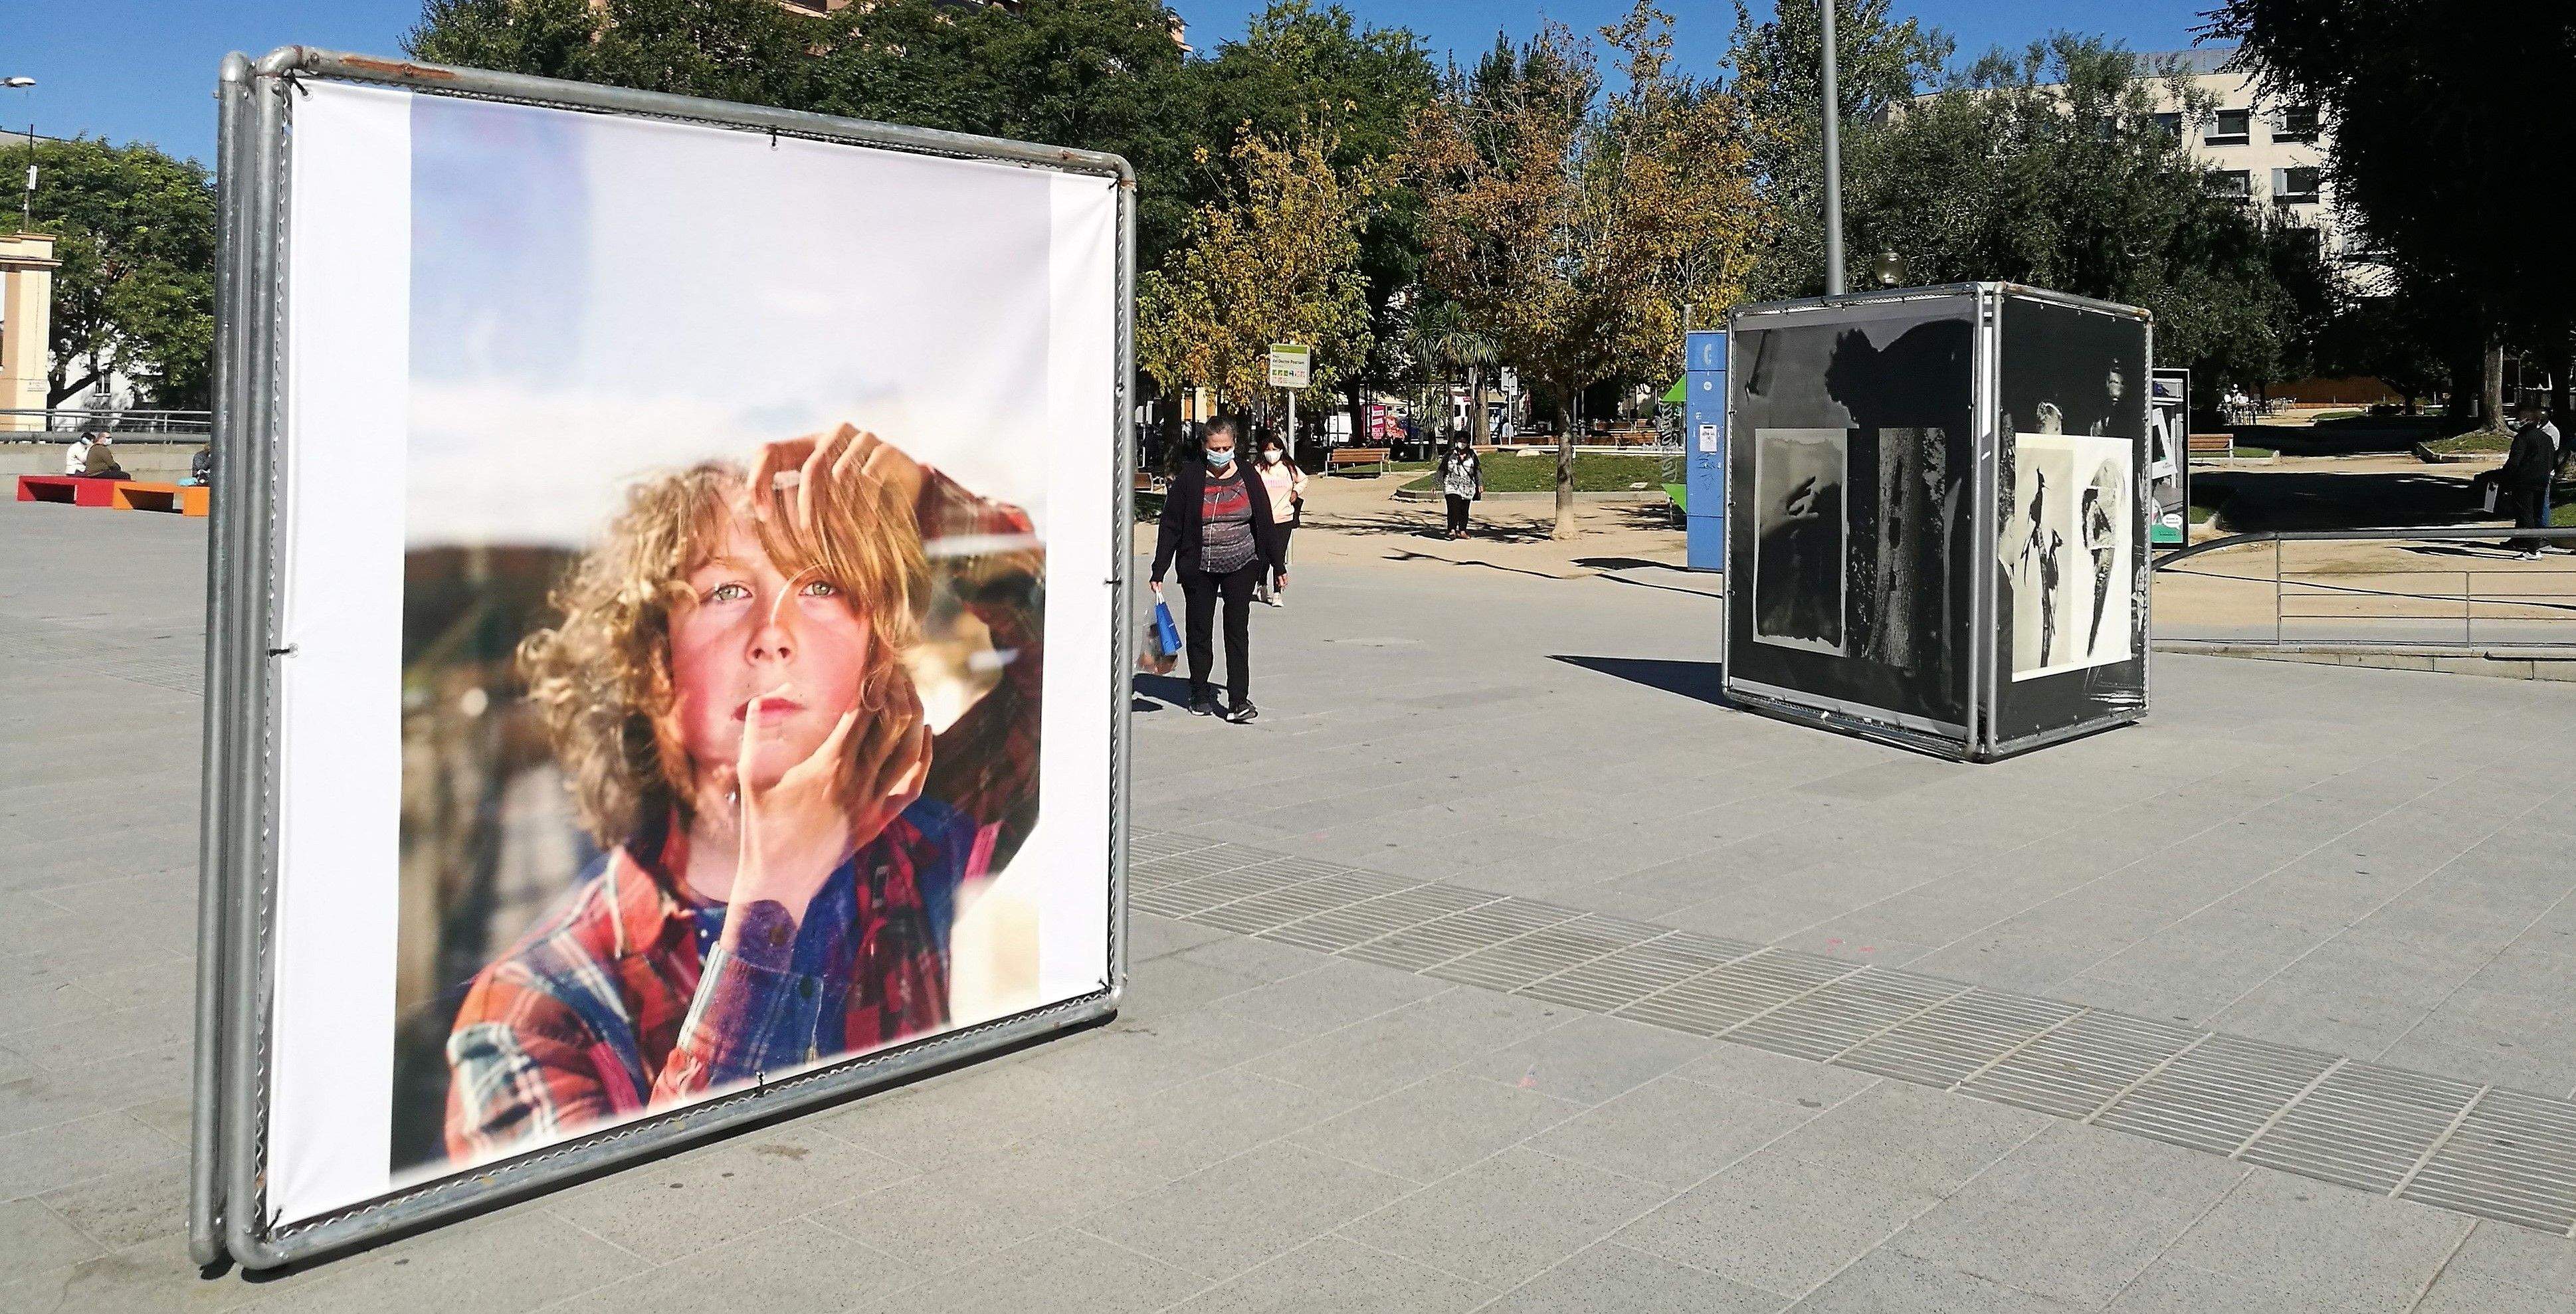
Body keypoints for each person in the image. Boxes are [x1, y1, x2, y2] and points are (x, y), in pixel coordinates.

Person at [441, 424, 1043, 1165]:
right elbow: (657, 1216)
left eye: (821, 585)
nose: (774, 633)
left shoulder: (911, 852)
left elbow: (1078, 665)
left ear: (873, 655)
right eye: (726, 591)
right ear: (650, 665)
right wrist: (774, 899)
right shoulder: (528, 1017)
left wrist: (932, 506)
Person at [1151, 415, 1284, 722]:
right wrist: (1159, 569)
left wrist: (1278, 566)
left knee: (1237, 630)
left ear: (1234, 445)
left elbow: (1265, 521)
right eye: (1215, 448)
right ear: (1204, 447)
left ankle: (1238, 700)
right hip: (1199, 567)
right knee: (1200, 630)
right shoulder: (1189, 478)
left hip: (1242, 563)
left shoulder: (1248, 475)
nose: (1221, 453)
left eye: (1226, 447)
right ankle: (1199, 691)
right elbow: (1170, 526)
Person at [1251, 432, 1306, 607]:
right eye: (1268, 449)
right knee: (1263, 556)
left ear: (1281, 450)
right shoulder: (1258, 469)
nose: (1272, 453)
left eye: (1275, 449)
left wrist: (1296, 491)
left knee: (1279, 557)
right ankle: (1261, 583)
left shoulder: (1288, 468)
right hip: (1263, 521)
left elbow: (1303, 480)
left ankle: (1277, 593)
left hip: (1284, 519)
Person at [2500, 400, 2557, 558]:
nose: (2516, 422)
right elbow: (2553, 460)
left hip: (2524, 482)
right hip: (2542, 480)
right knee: (2537, 513)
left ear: (2526, 420)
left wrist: (2504, 478)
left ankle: (2532, 549)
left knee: (2525, 514)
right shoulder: (2546, 438)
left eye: (2518, 419)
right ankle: (2532, 543)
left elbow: (2514, 462)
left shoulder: (2522, 438)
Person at [1438, 437, 1480, 538]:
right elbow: (1442, 469)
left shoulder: (1472, 455)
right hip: (1451, 485)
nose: (1462, 443)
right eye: (1460, 441)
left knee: (1464, 510)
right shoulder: (1449, 454)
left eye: (1464, 441)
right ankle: (1452, 530)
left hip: (1467, 486)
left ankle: (1462, 530)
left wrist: (1480, 484)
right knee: (1454, 507)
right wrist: (1436, 484)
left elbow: (1477, 470)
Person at [64, 426, 130, 480]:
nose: (110, 440)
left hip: (89, 471)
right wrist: (118, 468)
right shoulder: (100, 448)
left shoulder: (94, 448)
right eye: (108, 438)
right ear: (101, 438)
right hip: (79, 471)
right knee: (126, 476)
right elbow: (111, 464)